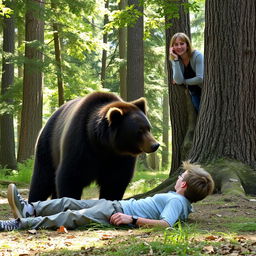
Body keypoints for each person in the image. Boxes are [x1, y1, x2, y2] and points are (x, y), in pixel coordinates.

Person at [0, 161, 214, 232]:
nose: (177, 178)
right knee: (68, 202)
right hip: (114, 205)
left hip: (117, 213)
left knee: (71, 216)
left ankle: (18, 223)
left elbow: (166, 224)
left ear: (183, 185)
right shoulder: (183, 202)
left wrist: (132, 220)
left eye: (181, 176)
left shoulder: (177, 201)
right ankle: (30, 208)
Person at [169, 32, 204, 112]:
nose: (179, 47)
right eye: (176, 44)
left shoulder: (197, 56)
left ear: (187, 45)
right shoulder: (175, 59)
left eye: (182, 44)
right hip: (194, 92)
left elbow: (200, 78)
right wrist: (176, 60)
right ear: (172, 47)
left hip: (205, 90)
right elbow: (178, 80)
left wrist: (184, 82)